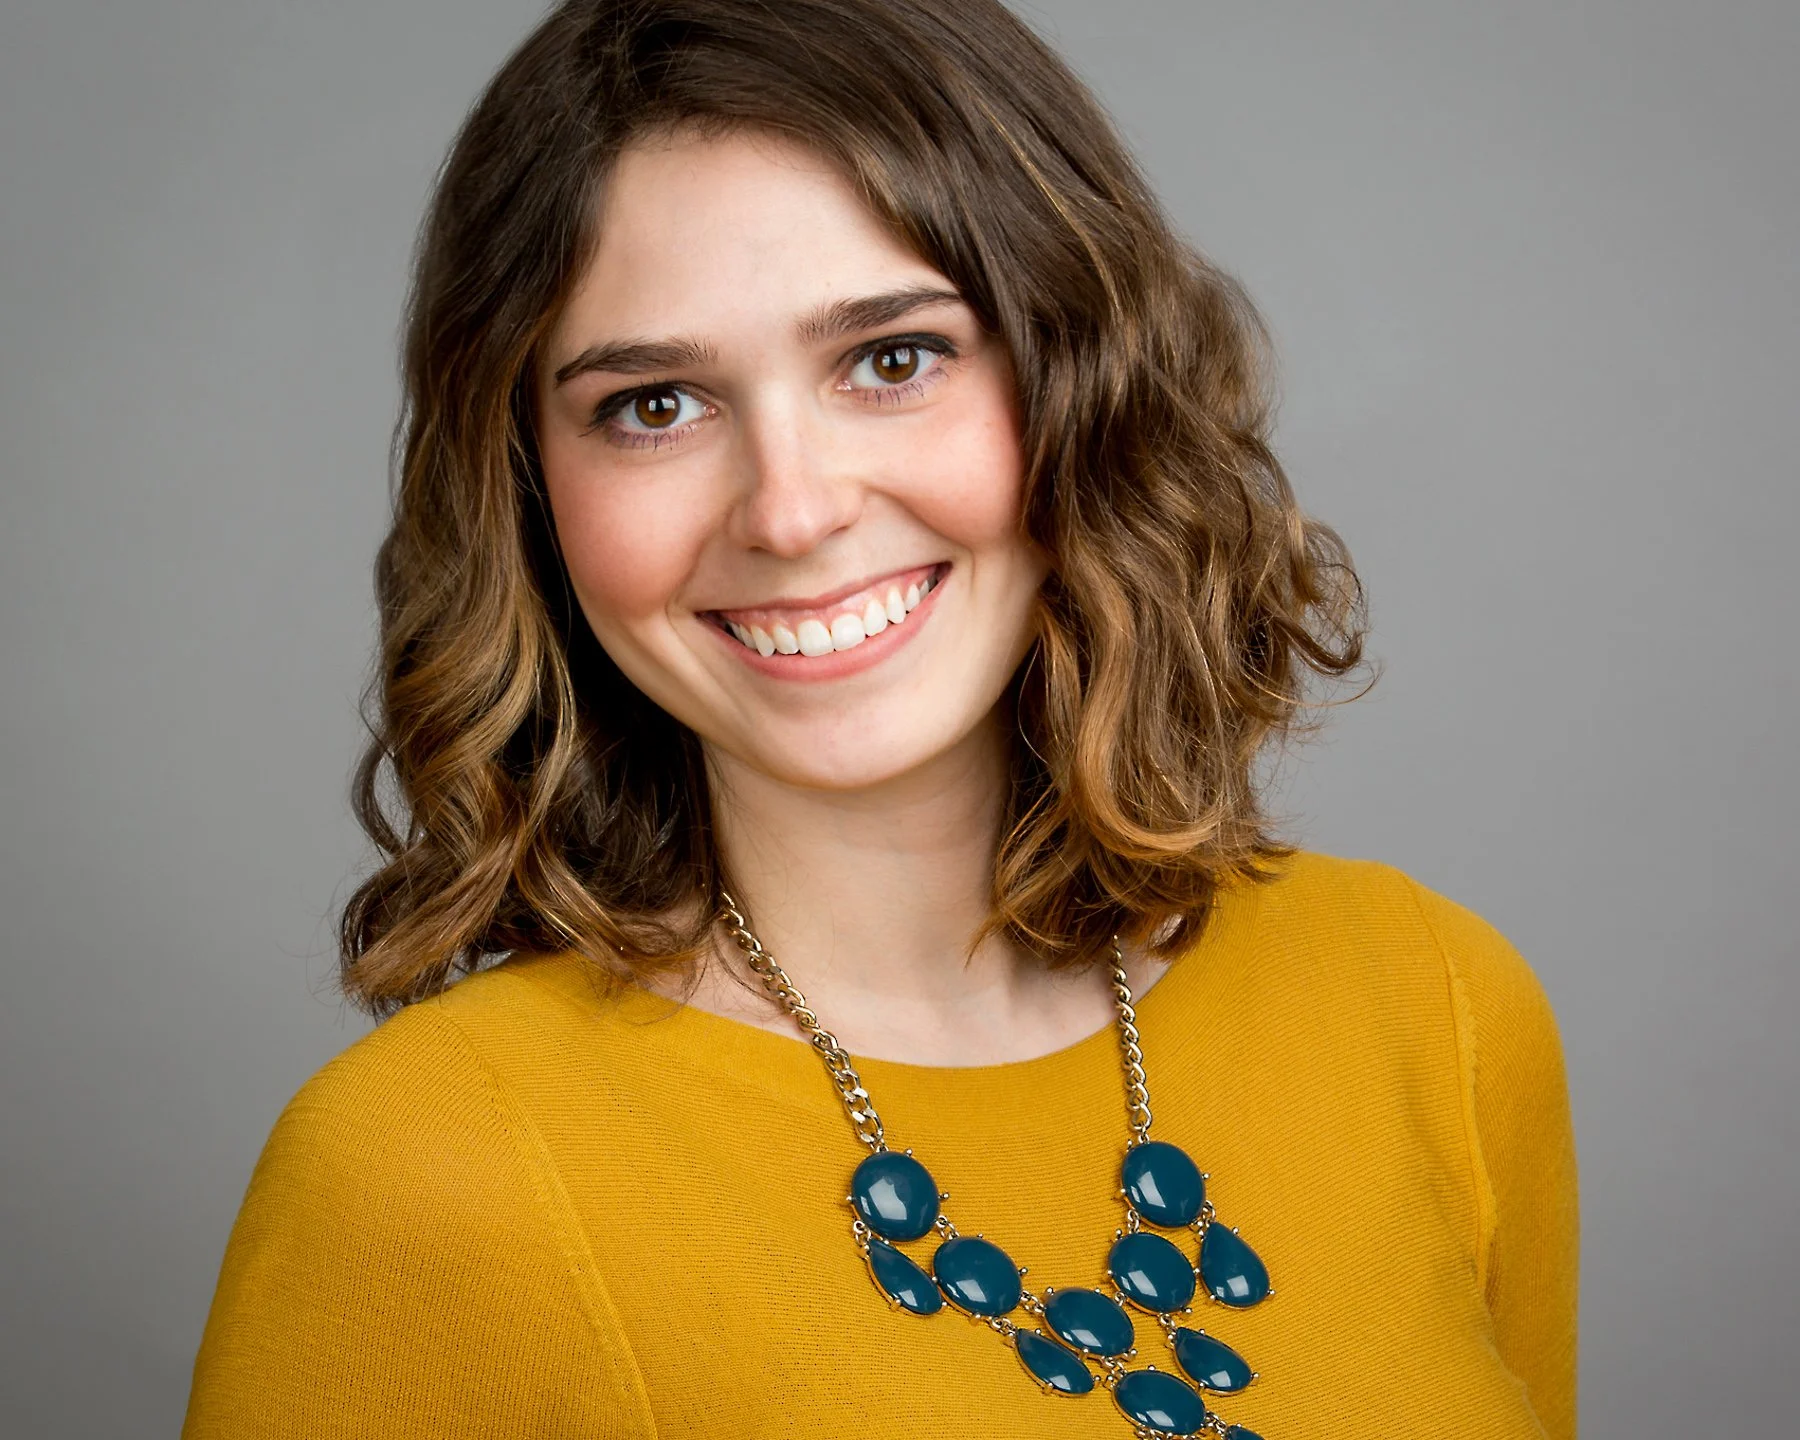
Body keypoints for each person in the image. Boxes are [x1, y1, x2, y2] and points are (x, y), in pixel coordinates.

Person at [180, 2, 1578, 1436]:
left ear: (1077, 375)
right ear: (529, 488)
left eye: (894, 359)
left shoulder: (1436, 1010)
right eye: (654, 403)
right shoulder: (425, 1172)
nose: (791, 510)